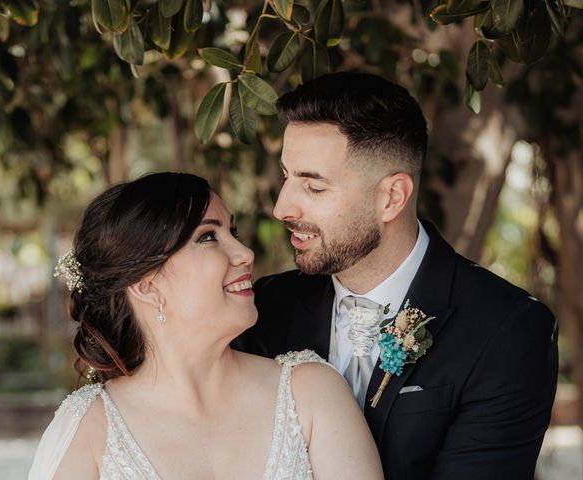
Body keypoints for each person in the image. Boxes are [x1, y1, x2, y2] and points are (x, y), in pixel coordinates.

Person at [234, 72, 559, 480]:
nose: (283, 208)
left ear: (392, 197)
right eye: (286, 177)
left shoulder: (507, 330)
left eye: (314, 187)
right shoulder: (262, 309)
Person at [28, 172, 383, 480]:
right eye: (208, 237)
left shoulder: (311, 394)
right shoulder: (88, 428)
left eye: (232, 231)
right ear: (146, 285)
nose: (245, 252)